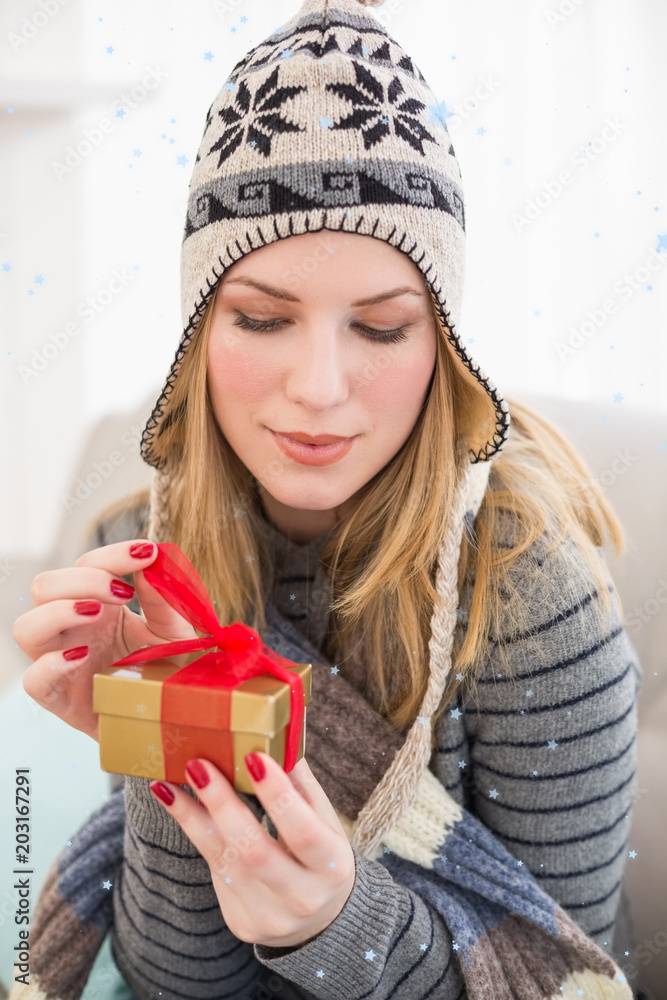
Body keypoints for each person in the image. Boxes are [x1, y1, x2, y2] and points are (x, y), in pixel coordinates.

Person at [11, 1, 643, 998]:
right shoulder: (136, 551)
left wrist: (336, 926)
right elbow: (175, 982)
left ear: (445, 349)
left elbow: (563, 979)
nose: (316, 387)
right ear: (195, 332)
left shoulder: (533, 595)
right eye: (260, 317)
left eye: (383, 328)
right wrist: (158, 757)